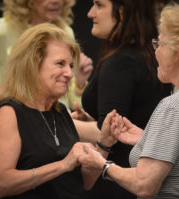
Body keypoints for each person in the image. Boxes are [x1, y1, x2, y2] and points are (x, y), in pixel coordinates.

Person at [78, 0, 179, 198]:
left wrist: (101, 164)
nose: (155, 52)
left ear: (178, 52)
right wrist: (147, 137)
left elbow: (144, 186)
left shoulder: (176, 106)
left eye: (159, 44)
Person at [0, 23, 98, 199]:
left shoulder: (60, 112)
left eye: (70, 65)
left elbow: (84, 184)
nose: (69, 73)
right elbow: (2, 184)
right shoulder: (8, 113)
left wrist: (105, 142)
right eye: (60, 63)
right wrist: (63, 165)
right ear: (32, 64)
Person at [73, 0, 172, 198]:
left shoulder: (121, 61)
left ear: (121, 12)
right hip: (140, 171)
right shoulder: (150, 55)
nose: (90, 13)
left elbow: (110, 131)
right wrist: (89, 120)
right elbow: (136, 116)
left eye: (99, 5)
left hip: (117, 179)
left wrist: (59, 121)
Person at [0, 0, 93, 120]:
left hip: (57, 130)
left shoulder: (65, 32)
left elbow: (71, 100)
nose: (56, 1)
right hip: (16, 129)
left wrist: (79, 84)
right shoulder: (2, 32)